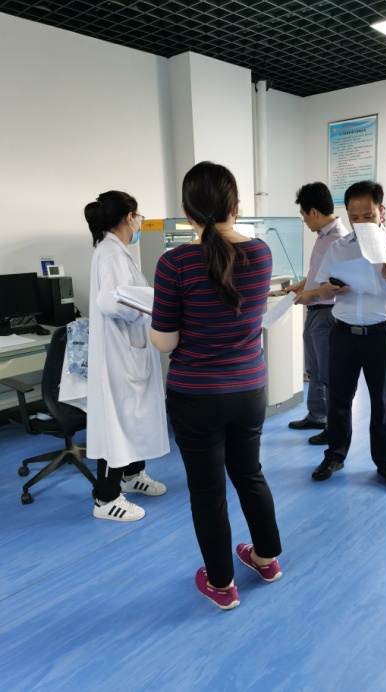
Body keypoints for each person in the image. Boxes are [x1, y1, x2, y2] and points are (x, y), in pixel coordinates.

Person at [150, 161, 282, 611]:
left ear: (187, 212)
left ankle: (222, 584)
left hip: (196, 396)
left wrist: (160, 324)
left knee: (208, 493)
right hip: (249, 389)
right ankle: (265, 559)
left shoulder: (173, 263)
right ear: (235, 206)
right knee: (249, 473)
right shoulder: (261, 253)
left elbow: (166, 341)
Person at [312, 180, 386, 490]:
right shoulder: (337, 248)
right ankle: (335, 455)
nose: (361, 223)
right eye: (354, 217)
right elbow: (320, 290)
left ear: (381, 211)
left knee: (383, 401)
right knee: (338, 399)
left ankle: (385, 462)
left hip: (381, 335)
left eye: (368, 215)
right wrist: (329, 289)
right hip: (343, 334)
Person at [84, 191, 170, 521]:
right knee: (116, 423)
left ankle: (131, 476)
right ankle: (106, 499)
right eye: (139, 217)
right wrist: (149, 305)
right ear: (128, 217)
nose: (140, 223)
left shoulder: (117, 251)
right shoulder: (110, 254)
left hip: (128, 350)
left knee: (132, 417)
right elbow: (112, 301)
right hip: (118, 355)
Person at [285, 182, 347, 445]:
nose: (304, 220)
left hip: (326, 313)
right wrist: (302, 286)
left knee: (328, 373)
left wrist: (308, 295)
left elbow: (337, 285)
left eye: (303, 214)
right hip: (314, 312)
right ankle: (317, 415)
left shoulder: (338, 240)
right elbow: (318, 274)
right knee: (314, 369)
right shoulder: (323, 236)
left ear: (313, 212)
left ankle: (333, 427)